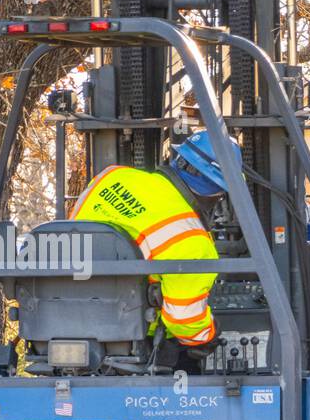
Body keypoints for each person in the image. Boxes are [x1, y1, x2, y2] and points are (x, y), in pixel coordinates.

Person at [70, 130, 241, 350]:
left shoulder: (111, 177)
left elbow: (75, 224)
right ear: (217, 191)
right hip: (131, 341)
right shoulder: (192, 241)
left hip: (67, 320)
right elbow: (184, 322)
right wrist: (209, 335)